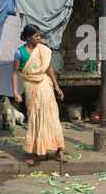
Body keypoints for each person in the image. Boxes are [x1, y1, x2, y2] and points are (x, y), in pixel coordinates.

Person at [12, 24, 68, 165]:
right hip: (30, 87)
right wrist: (15, 92)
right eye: (36, 36)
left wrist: (56, 86)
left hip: (45, 85)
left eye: (39, 35)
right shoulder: (19, 53)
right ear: (28, 37)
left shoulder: (43, 50)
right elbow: (14, 72)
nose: (39, 38)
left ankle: (59, 149)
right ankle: (37, 153)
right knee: (35, 119)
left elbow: (48, 68)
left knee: (52, 116)